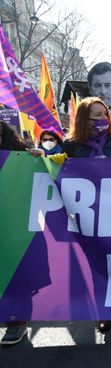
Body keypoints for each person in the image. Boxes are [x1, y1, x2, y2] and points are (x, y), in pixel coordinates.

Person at [55, 97, 111, 333]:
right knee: (97, 265)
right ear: (84, 119)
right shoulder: (70, 145)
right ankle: (105, 311)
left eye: (104, 115)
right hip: (88, 217)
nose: (102, 119)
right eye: (96, 116)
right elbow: (55, 173)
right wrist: (53, 163)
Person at [0, 122, 45, 345]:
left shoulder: (21, 156)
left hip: (16, 229)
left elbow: (43, 177)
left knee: (17, 277)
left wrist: (38, 157)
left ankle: (16, 322)